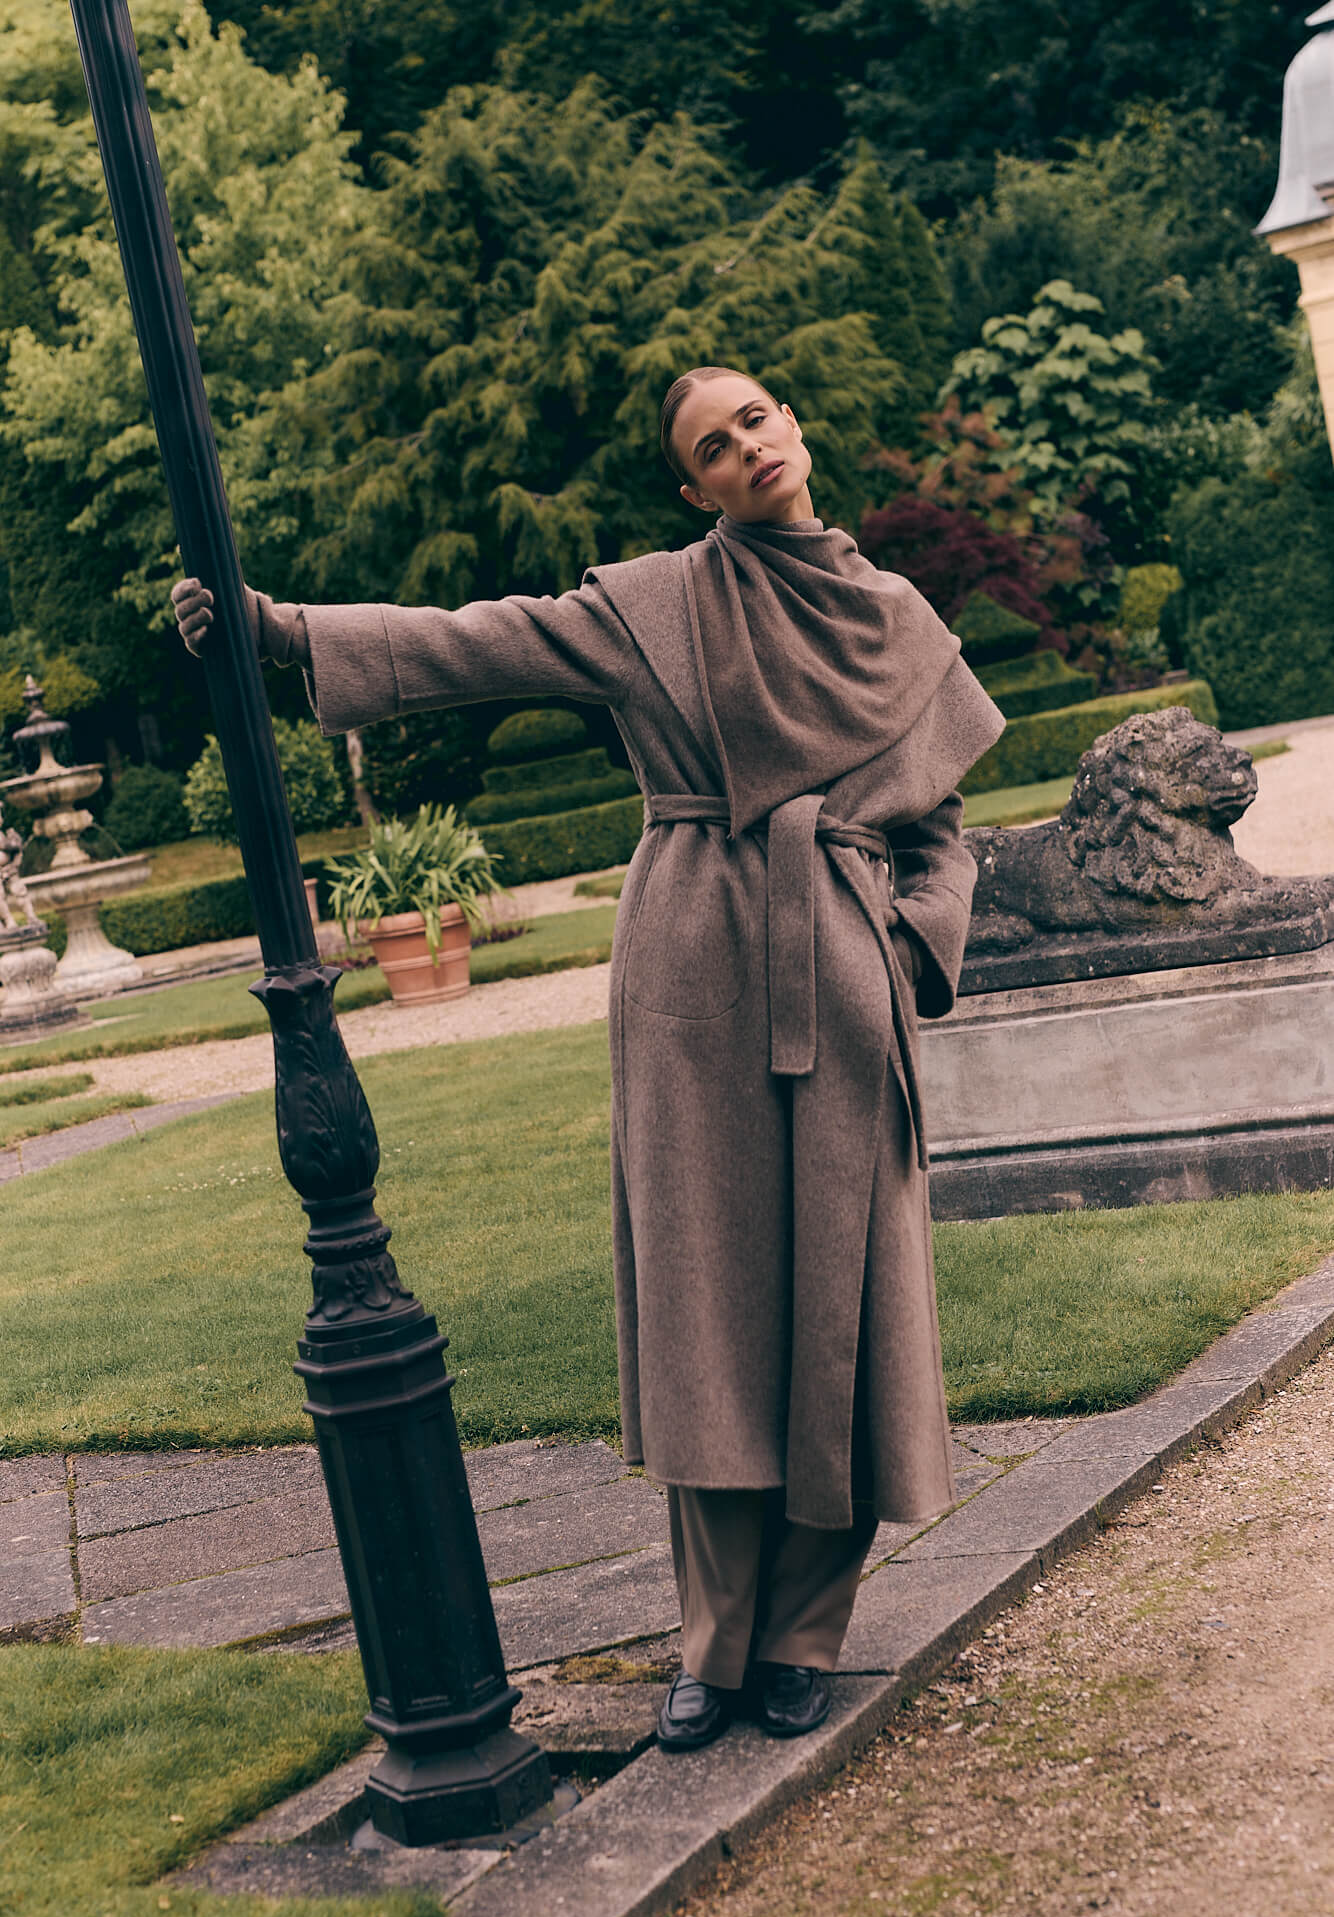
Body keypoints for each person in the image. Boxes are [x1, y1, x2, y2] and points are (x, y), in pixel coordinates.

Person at [173, 365, 1004, 1752]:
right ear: (693, 488)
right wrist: (273, 629)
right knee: (708, 1316)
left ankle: (801, 1638)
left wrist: (914, 947)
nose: (747, 447)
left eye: (756, 419)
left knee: (845, 1313)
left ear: (793, 425)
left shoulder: (901, 622)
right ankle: (712, 1647)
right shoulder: (657, 607)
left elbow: (943, 835)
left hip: (844, 973)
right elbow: (474, 643)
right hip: (692, 982)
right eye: (713, 446)